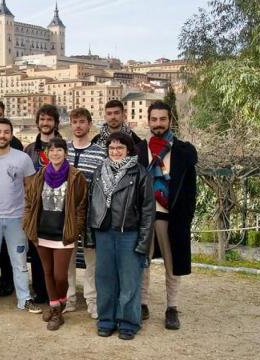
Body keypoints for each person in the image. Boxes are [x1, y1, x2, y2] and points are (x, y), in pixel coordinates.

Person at [88, 132, 155, 340]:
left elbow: (148, 211)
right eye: (112, 148)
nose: (115, 152)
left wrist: (144, 242)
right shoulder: (100, 171)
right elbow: (92, 204)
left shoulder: (140, 173)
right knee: (104, 280)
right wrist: (90, 235)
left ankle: (128, 323)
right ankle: (106, 320)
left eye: (120, 148)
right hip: (104, 232)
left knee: (129, 282)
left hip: (129, 233)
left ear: (128, 150)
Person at [138, 101, 198, 330]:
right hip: (145, 216)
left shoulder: (183, 151)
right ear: (148, 120)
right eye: (154, 119)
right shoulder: (140, 149)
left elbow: (191, 189)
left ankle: (172, 308)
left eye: (163, 119)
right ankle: (142, 304)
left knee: (172, 265)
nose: (158, 124)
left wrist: (186, 217)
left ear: (170, 120)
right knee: (142, 262)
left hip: (172, 217)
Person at [0, 118, 41, 314]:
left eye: (6, 132)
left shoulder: (22, 159)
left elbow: (30, 189)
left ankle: (24, 298)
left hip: (16, 219)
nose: (2, 135)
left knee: (19, 261)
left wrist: (28, 217)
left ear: (11, 135)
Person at [23, 137, 88, 330]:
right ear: (47, 154)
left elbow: (81, 206)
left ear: (65, 153)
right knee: (47, 273)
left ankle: (59, 305)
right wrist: (27, 224)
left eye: (59, 150)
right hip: (42, 232)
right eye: (52, 150)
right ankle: (55, 310)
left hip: (63, 234)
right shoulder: (40, 175)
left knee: (60, 276)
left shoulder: (76, 176)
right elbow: (29, 201)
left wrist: (74, 230)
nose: (55, 153)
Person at [65, 108, 107, 318]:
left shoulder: (100, 152)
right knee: (67, 258)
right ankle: (69, 298)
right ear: (70, 125)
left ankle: (92, 300)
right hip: (67, 215)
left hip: (91, 213)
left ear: (89, 124)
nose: (78, 126)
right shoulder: (62, 150)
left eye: (82, 122)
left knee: (92, 259)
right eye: (75, 122)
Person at [23, 104, 63, 305]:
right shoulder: (29, 149)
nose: (45, 123)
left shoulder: (65, 146)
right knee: (38, 255)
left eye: (49, 119)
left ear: (56, 122)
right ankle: (40, 290)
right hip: (37, 211)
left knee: (58, 254)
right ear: (37, 122)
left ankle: (58, 293)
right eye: (42, 119)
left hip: (59, 210)